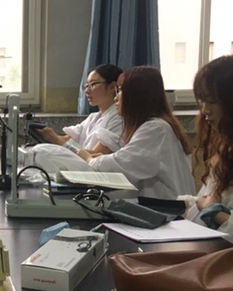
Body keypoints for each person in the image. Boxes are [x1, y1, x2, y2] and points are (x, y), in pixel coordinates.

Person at [32, 66, 194, 199]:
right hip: (156, 207)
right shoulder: (150, 126)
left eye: (121, 91)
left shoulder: (156, 129)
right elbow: (123, 159)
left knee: (43, 151)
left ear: (137, 96)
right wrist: (94, 157)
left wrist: (89, 158)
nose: (117, 98)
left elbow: (119, 166)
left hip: (168, 213)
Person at [182, 56, 233, 240]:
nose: (204, 110)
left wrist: (212, 210)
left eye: (212, 102)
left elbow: (211, 205)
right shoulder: (226, 146)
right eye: (202, 102)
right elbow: (207, 198)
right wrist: (188, 203)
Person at [36, 63, 123, 152]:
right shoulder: (93, 118)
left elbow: (95, 155)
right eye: (86, 86)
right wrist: (47, 135)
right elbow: (67, 138)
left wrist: (56, 140)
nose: (87, 91)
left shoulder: (118, 119)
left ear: (112, 87)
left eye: (93, 84)